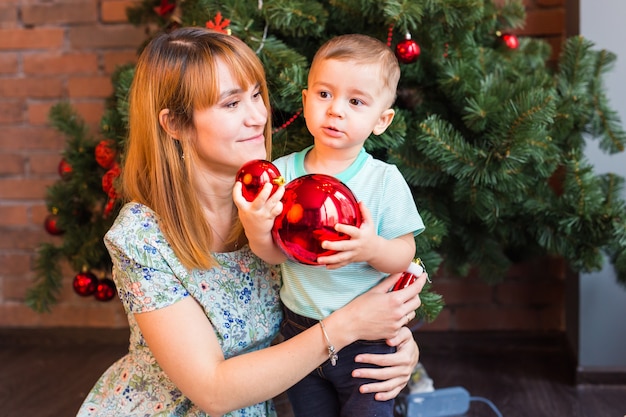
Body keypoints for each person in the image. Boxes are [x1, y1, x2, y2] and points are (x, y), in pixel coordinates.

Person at [76, 27, 428, 417]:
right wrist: (350, 326)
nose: (258, 117)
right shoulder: (142, 237)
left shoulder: (282, 200)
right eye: (231, 104)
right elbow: (213, 393)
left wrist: (397, 343)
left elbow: (376, 265)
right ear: (175, 124)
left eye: (256, 95)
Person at [235, 34, 425, 417]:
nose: (336, 110)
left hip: (367, 341)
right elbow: (275, 253)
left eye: (355, 102)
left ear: (381, 121)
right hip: (299, 333)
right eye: (324, 95)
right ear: (305, 102)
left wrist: (373, 249)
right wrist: (256, 227)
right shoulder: (283, 173)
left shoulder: (384, 180)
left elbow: (406, 254)